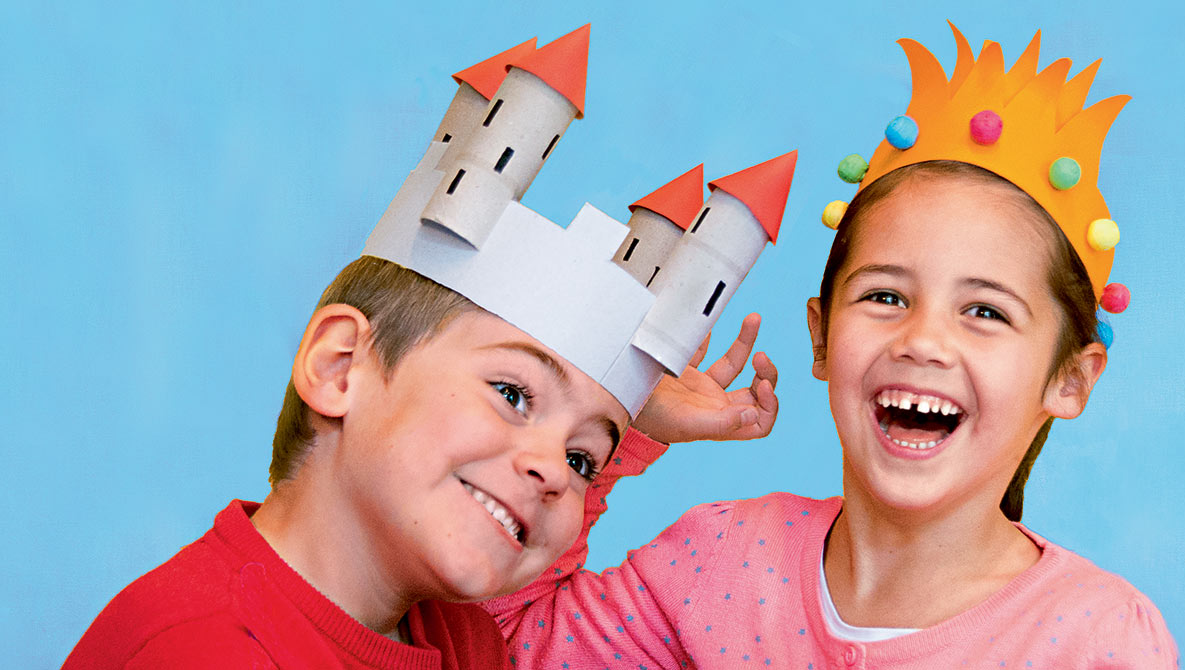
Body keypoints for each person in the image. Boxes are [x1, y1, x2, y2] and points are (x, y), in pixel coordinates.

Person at [486, 25, 1180, 668]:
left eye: (985, 311)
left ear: (1071, 379)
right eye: (886, 297)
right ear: (821, 336)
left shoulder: (1100, 637)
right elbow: (498, 644)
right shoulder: (718, 560)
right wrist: (614, 422)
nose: (924, 340)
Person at [61, 257, 778, 670]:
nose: (556, 473)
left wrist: (632, 429)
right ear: (343, 368)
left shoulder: (458, 637)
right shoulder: (202, 651)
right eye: (512, 393)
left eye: (583, 459)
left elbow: (517, 592)